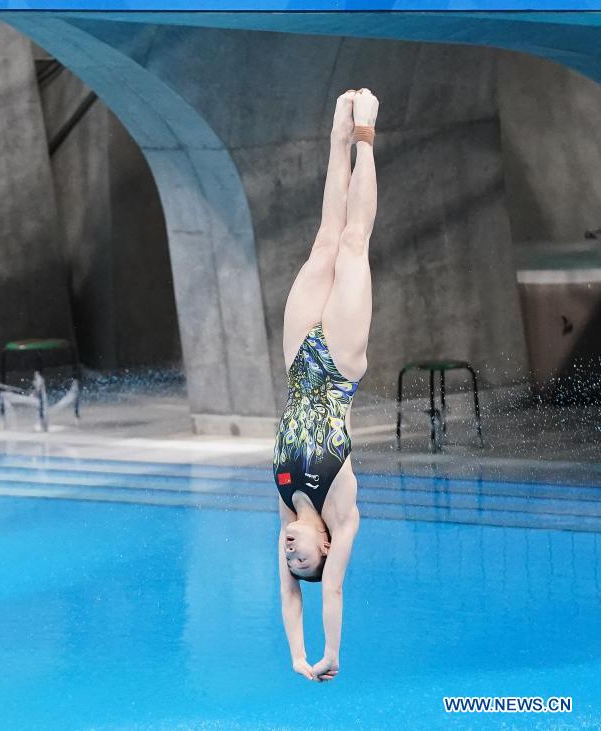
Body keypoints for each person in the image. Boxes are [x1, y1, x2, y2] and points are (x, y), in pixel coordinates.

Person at [274, 88, 378, 681]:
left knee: (322, 240)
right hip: (337, 368)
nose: (292, 552)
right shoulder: (343, 515)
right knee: (353, 244)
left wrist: (293, 659)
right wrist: (326, 655)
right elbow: (325, 596)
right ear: (327, 554)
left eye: (291, 558)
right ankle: (366, 133)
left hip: (296, 363)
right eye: (302, 558)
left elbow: (290, 596)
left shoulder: (285, 501)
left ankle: (337, 137)